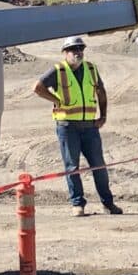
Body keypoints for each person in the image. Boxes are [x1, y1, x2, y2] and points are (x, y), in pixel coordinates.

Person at [33, 36, 123, 216]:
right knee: (72, 167)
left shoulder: (91, 68)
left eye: (80, 49)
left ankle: (108, 203)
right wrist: (56, 100)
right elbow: (37, 87)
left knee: (98, 165)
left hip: (90, 127)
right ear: (65, 53)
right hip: (67, 127)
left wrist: (103, 115)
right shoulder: (58, 71)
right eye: (73, 49)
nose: (78, 52)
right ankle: (78, 204)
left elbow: (101, 92)